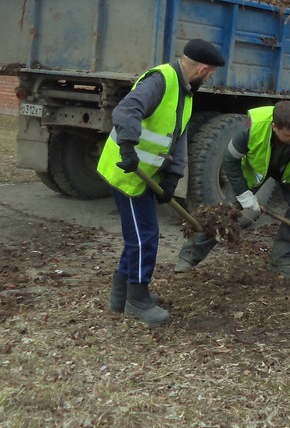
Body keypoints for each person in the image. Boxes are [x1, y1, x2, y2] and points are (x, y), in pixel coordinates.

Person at [96, 38, 226, 327]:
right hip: (126, 172)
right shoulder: (161, 81)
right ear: (202, 69)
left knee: (138, 237)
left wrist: (172, 178)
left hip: (145, 175)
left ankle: (121, 296)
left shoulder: (185, 92)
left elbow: (175, 138)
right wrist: (128, 146)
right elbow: (126, 111)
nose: (210, 78)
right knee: (145, 236)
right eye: (211, 73)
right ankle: (136, 300)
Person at [174, 101, 290, 280]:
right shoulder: (252, 129)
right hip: (255, 169)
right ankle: (188, 257)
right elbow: (229, 159)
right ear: (274, 127)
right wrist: (243, 192)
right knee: (228, 211)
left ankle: (281, 261)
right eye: (289, 136)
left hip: (288, 170)